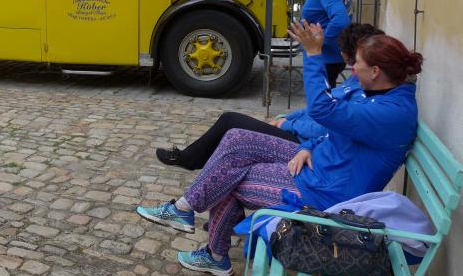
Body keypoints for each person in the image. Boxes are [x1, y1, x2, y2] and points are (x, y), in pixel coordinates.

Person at [137, 22, 422, 276]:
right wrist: (308, 147)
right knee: (236, 138)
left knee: (229, 179)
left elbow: (324, 111)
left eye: (357, 63)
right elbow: (334, 129)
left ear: (375, 71)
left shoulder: (392, 113)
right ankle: (185, 211)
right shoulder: (377, 94)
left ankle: (212, 251)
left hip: (324, 194)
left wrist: (313, 54)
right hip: (315, 167)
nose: (353, 68)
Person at [155, 23, 384, 170]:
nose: (346, 63)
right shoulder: (356, 82)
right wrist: (287, 118)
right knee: (232, 134)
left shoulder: (364, 93)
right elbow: (313, 111)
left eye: (349, 58)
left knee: (230, 122)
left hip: (303, 145)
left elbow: (326, 126)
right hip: (299, 137)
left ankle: (188, 160)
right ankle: (196, 169)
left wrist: (288, 125)